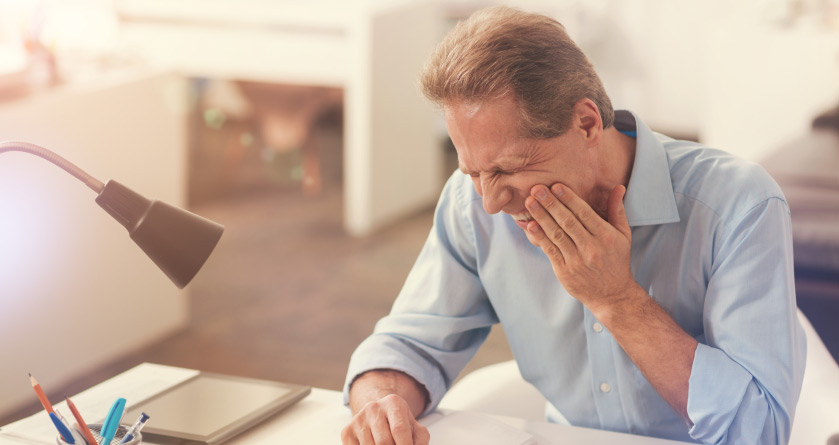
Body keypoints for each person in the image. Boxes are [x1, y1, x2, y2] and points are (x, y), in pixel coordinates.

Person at [341, 6, 805, 445]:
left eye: (507, 169)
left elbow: (758, 431)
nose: (490, 202)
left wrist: (618, 301)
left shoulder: (738, 205)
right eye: (473, 172)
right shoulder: (471, 203)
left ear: (586, 124)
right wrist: (381, 403)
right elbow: (409, 345)